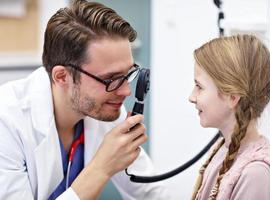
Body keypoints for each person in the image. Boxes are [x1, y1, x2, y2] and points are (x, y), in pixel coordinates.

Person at [0, 0, 166, 199]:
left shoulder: (105, 109)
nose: (125, 91)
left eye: (128, 75)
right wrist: (101, 168)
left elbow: (150, 192)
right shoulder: (7, 121)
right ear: (62, 77)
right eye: (111, 79)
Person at [189, 35, 270, 200]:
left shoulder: (255, 175)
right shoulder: (222, 151)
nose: (191, 97)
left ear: (232, 97)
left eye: (199, 87)